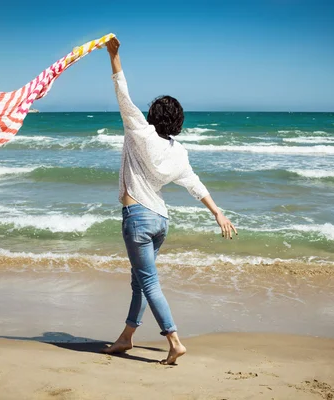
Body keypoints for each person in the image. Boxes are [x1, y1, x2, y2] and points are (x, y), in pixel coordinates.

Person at [103, 37, 237, 365]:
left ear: (152, 115)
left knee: (148, 282)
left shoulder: (140, 132)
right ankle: (126, 338)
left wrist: (115, 55)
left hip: (137, 216)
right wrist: (217, 212)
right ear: (177, 121)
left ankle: (174, 340)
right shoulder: (178, 151)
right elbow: (194, 183)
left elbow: (122, 93)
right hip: (160, 221)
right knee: (140, 282)